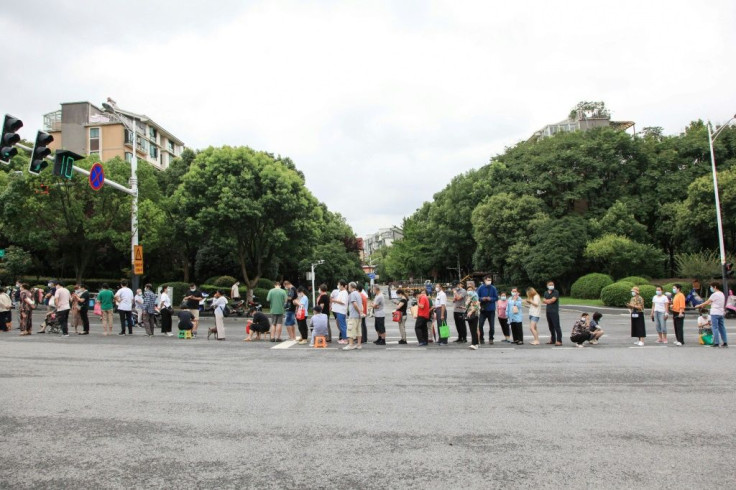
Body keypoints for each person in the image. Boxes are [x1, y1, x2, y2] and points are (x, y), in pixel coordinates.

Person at [699, 282, 728, 347]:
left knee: (715, 328)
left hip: (715, 313)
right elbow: (714, 302)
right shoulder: (722, 294)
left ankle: (716, 342)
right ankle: (725, 342)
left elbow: (707, 302)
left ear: (714, 287)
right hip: (721, 312)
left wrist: (700, 305)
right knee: (722, 327)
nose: (711, 288)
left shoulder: (714, 294)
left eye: (711, 287)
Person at [476, 275, 498, 344]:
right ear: (484, 280)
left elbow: (496, 298)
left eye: (490, 280)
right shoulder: (480, 288)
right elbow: (477, 297)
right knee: (480, 325)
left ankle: (491, 338)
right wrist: (482, 298)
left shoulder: (493, 288)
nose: (489, 281)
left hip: (491, 310)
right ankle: (481, 338)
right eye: (488, 280)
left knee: (492, 326)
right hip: (483, 310)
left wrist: (490, 299)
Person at [343, 282, 364, 351]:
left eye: (348, 286)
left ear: (351, 287)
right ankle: (358, 344)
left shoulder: (352, 294)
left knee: (350, 329)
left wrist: (359, 312)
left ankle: (351, 345)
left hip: (353, 315)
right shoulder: (358, 294)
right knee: (358, 330)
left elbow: (354, 304)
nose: (348, 288)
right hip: (358, 316)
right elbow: (361, 304)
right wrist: (361, 312)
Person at [543, 280, 562, 346]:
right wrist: (548, 301)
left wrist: (548, 301)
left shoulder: (556, 292)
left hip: (554, 311)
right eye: (550, 285)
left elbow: (553, 300)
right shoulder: (545, 292)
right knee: (550, 326)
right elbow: (544, 300)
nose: (551, 286)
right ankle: (553, 339)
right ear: (547, 286)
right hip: (548, 311)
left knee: (556, 326)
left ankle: (559, 340)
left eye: (552, 284)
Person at [465, 281, 481, 350]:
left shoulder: (474, 296)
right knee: (472, 329)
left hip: (474, 314)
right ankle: (475, 343)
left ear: (473, 290)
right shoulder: (468, 297)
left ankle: (474, 343)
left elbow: (476, 306)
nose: (469, 291)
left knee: (474, 329)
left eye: (470, 290)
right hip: (469, 314)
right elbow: (468, 305)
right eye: (468, 290)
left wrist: (471, 311)